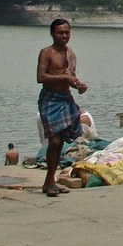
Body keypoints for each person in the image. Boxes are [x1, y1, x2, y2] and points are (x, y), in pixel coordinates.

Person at [36, 18, 88, 197]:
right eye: (60, 32)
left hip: (65, 98)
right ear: (52, 33)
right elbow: (41, 77)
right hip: (50, 100)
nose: (64, 36)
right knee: (55, 140)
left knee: (61, 143)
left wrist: (78, 85)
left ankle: (50, 182)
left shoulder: (70, 54)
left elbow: (70, 77)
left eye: (66, 32)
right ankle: (49, 181)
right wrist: (65, 79)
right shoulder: (46, 52)